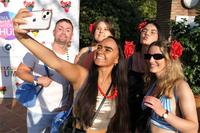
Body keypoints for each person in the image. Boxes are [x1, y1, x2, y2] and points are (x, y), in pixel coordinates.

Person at [13, 8, 130, 133]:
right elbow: (55, 62)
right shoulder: (82, 75)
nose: (100, 51)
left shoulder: (118, 85)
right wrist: (22, 37)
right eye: (99, 47)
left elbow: (116, 120)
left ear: (117, 59)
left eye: (108, 49)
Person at [16, 16, 77, 133]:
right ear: (54, 32)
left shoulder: (74, 58)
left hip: (60, 112)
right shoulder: (38, 50)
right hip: (38, 111)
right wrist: (37, 79)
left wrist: (68, 106)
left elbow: (72, 87)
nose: (64, 32)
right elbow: (21, 71)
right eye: (60, 28)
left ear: (71, 36)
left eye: (68, 30)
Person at [140, 40, 198, 133]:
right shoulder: (152, 83)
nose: (151, 60)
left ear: (169, 59)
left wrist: (163, 112)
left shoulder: (180, 86)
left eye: (157, 56)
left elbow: (193, 128)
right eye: (148, 56)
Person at [127, 22, 165, 132]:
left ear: (159, 37)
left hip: (149, 114)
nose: (146, 33)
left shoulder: (162, 61)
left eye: (152, 32)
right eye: (144, 30)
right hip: (128, 111)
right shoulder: (129, 57)